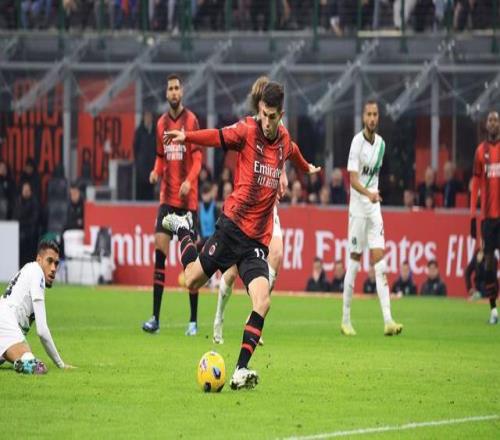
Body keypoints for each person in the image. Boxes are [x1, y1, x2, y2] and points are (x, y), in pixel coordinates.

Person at [162, 81, 320, 389]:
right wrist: (187, 136)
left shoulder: (284, 140)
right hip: (232, 228)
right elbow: (217, 136)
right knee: (192, 280)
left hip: (255, 242)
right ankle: (183, 229)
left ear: (280, 115)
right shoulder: (247, 130)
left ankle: (239, 370)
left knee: (263, 301)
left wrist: (307, 168)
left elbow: (295, 153)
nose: (266, 121)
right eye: (263, 114)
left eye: (272, 116)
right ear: (259, 109)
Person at [212, 76, 287, 346]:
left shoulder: (278, 127)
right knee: (231, 273)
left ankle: (255, 314)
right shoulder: (249, 128)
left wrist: (282, 175)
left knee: (277, 254)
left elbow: (283, 156)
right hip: (245, 213)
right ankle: (219, 318)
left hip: (268, 209)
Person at [141, 74, 202, 336]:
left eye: (177, 88)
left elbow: (198, 158)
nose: (174, 92)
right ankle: (155, 318)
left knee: (190, 263)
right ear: (166, 93)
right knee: (160, 253)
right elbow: (160, 156)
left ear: (182, 92)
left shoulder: (192, 121)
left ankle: (193, 321)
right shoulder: (161, 124)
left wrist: (189, 181)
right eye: (170, 89)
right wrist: (156, 172)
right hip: (167, 200)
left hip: (187, 202)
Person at [341, 100, 403, 337]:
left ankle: (388, 320)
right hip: (358, 208)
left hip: (374, 209)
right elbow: (353, 180)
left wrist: (373, 197)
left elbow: (374, 177)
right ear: (363, 117)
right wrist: (369, 195)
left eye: (375, 114)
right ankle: (345, 320)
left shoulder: (382, 145)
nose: (372, 118)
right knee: (355, 262)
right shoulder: (356, 142)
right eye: (369, 114)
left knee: (380, 264)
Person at [0, 239, 74, 374]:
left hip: (4, 322)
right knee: (36, 365)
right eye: (49, 261)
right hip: (5, 322)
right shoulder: (37, 273)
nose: (53, 268)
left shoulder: (29, 269)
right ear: (39, 259)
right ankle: (22, 363)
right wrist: (60, 364)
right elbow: (42, 330)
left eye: (56, 263)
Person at [470, 110, 499, 324]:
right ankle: (493, 310)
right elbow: (475, 186)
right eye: (490, 120)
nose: (493, 123)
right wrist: (473, 216)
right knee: (488, 261)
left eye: (496, 120)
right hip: (488, 218)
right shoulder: (480, 151)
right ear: (486, 124)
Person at [13, 181, 41, 268]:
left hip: (31, 232)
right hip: (19, 230)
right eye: (24, 190)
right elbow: (15, 217)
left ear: (31, 191)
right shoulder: (18, 201)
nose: (26, 192)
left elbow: (34, 219)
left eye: (27, 190)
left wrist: (23, 222)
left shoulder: (34, 202)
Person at [133, 110, 156, 201]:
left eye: (150, 116)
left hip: (152, 166)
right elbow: (135, 148)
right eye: (146, 116)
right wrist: (138, 162)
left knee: (150, 191)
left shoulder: (155, 131)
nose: (148, 118)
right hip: (141, 167)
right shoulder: (139, 131)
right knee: (141, 191)